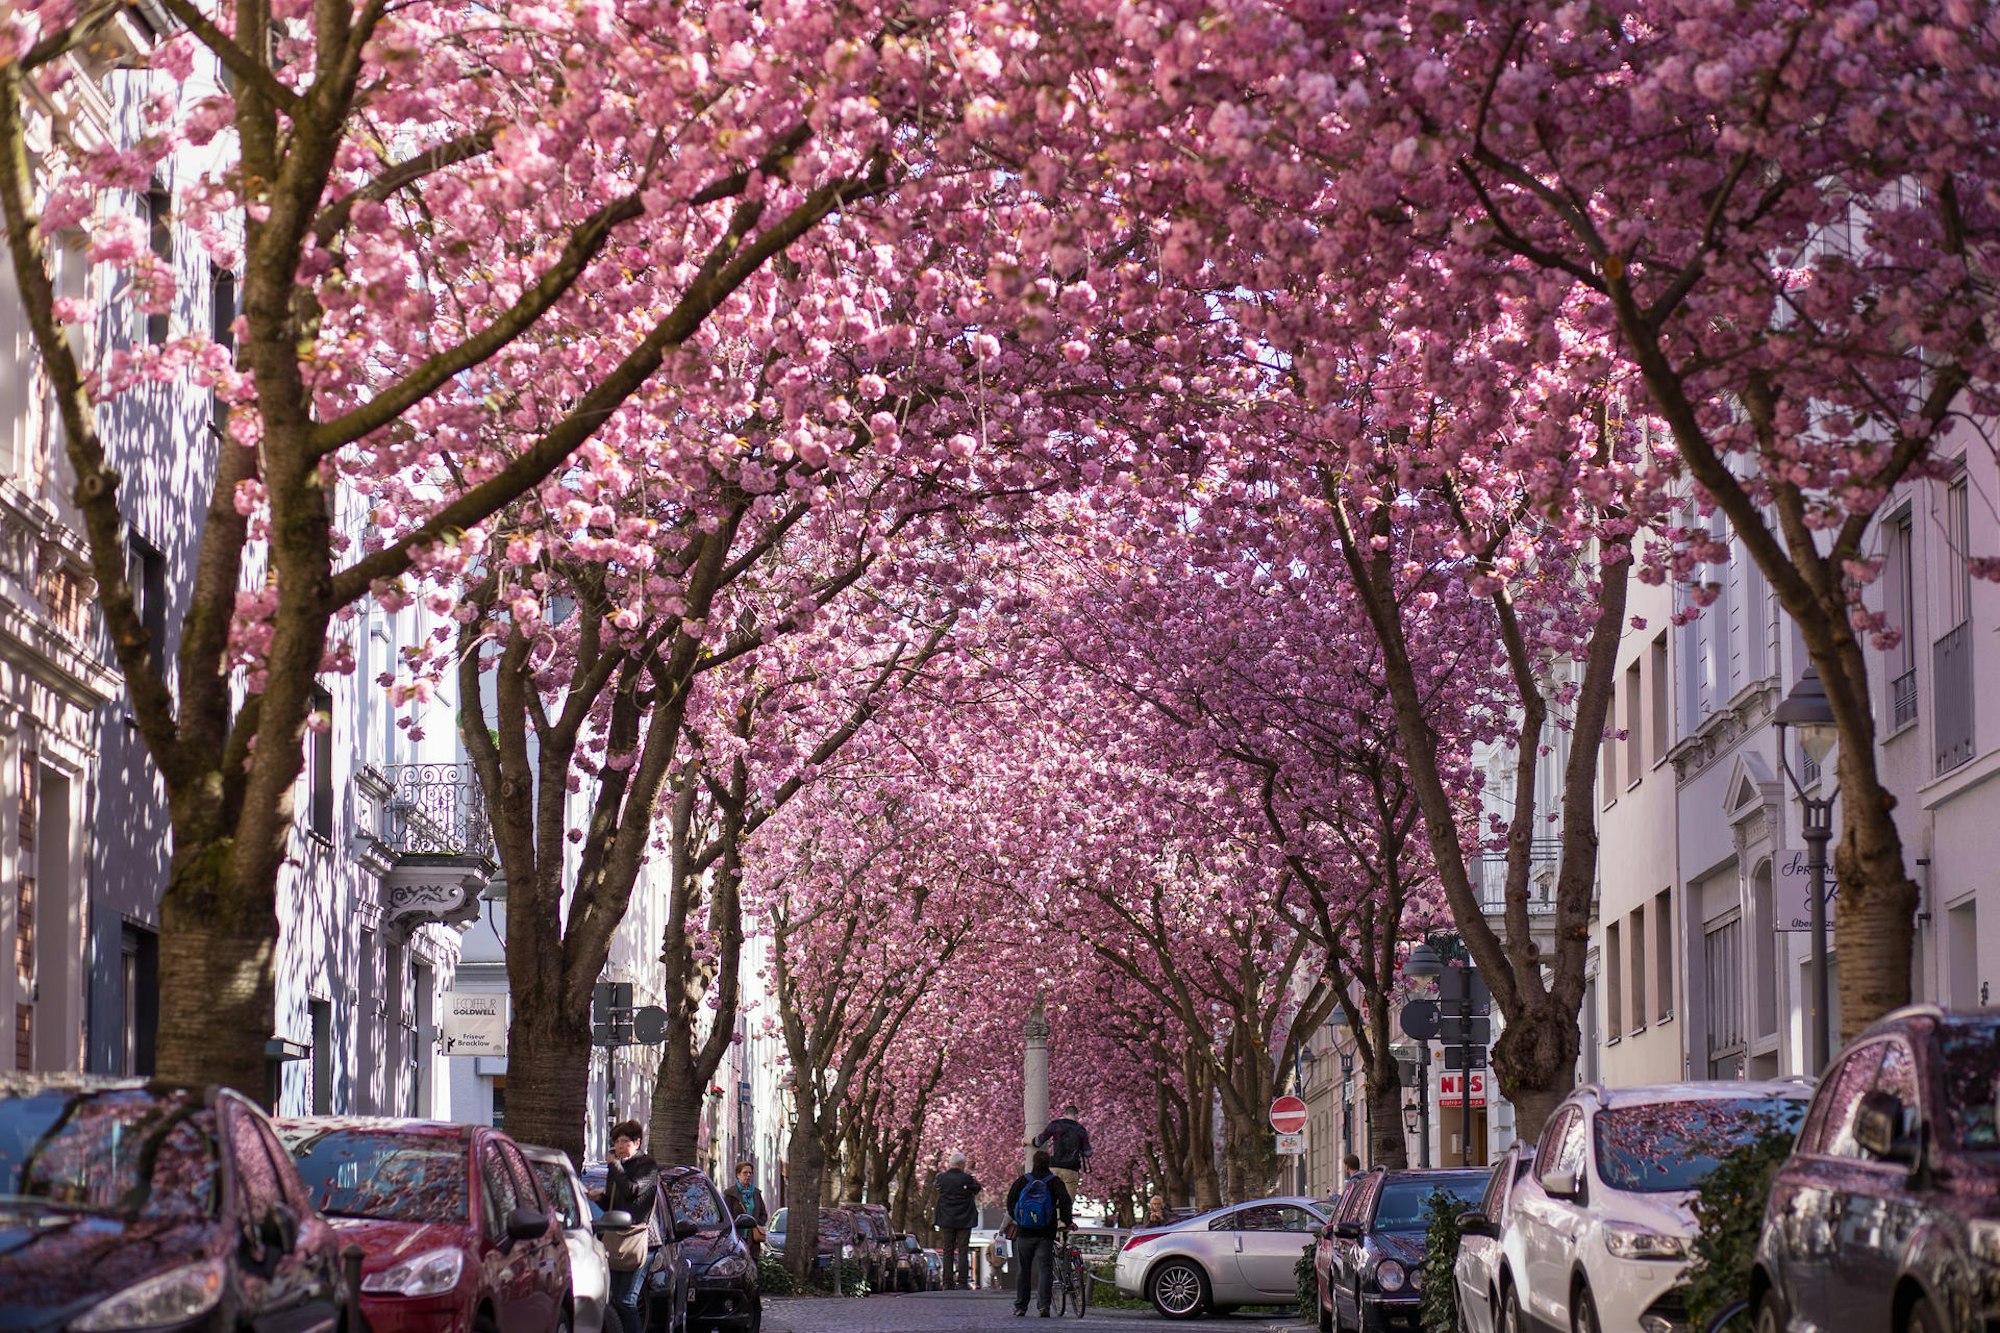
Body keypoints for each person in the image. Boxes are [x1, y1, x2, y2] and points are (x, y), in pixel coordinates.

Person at [1006, 1148, 1075, 1318]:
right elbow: (1065, 1201)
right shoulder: (1054, 1181)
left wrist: (1019, 1219)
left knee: (1024, 1269)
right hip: (1045, 1233)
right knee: (1045, 1269)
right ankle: (1043, 1306)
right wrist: (1067, 1221)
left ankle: (1021, 1306)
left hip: (1024, 1233)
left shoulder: (1023, 1181)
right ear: (1048, 1164)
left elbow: (1010, 1201)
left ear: (1034, 1163)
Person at [603, 1120, 659, 1328]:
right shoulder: (618, 1167)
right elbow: (614, 1201)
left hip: (640, 1239)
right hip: (617, 1237)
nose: (619, 1146)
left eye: (624, 1141)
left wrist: (615, 1166)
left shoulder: (647, 1165)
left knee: (627, 1299)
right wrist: (598, 1197)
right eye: (616, 1142)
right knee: (615, 1300)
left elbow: (633, 1191)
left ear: (637, 1142)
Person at [933, 1151, 982, 1290]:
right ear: (961, 1164)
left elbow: (938, 1188)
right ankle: (962, 1281)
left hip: (946, 1217)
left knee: (947, 1250)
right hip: (965, 1218)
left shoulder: (941, 1178)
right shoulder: (967, 1179)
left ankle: (947, 1282)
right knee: (963, 1249)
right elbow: (977, 1188)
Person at [1032, 1105, 1092, 1199]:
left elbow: (1038, 1141)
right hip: (1071, 1169)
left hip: (1054, 1167)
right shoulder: (1081, 1130)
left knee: (1050, 1200)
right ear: (1076, 1115)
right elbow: (1088, 1153)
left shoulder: (1055, 1125)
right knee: (1067, 1204)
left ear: (1065, 1113)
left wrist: (1027, 1141)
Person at [721, 1160, 769, 1258]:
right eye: (745, 1173)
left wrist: (756, 1224)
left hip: (753, 1238)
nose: (748, 1175)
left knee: (752, 1264)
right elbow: (725, 1215)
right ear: (738, 1175)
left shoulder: (756, 1193)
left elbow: (763, 1214)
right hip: (736, 1237)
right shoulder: (730, 1194)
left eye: (750, 1173)